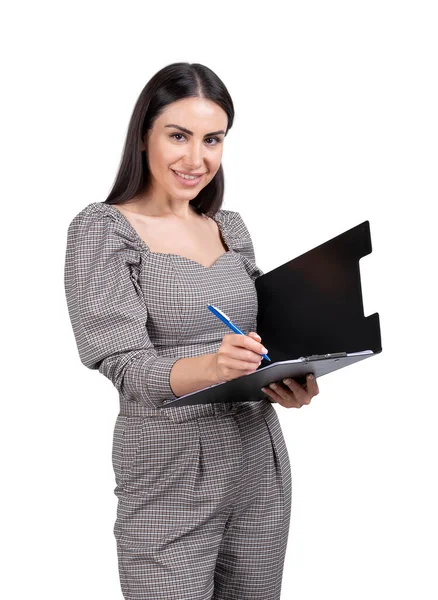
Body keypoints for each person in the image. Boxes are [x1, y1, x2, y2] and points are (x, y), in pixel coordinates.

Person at [64, 62, 319, 600]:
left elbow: (263, 341)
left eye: (213, 139)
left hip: (257, 462)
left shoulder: (231, 228)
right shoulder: (103, 228)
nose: (195, 158)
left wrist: (286, 379)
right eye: (178, 136)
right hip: (168, 471)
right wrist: (212, 367)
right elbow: (123, 365)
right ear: (143, 137)